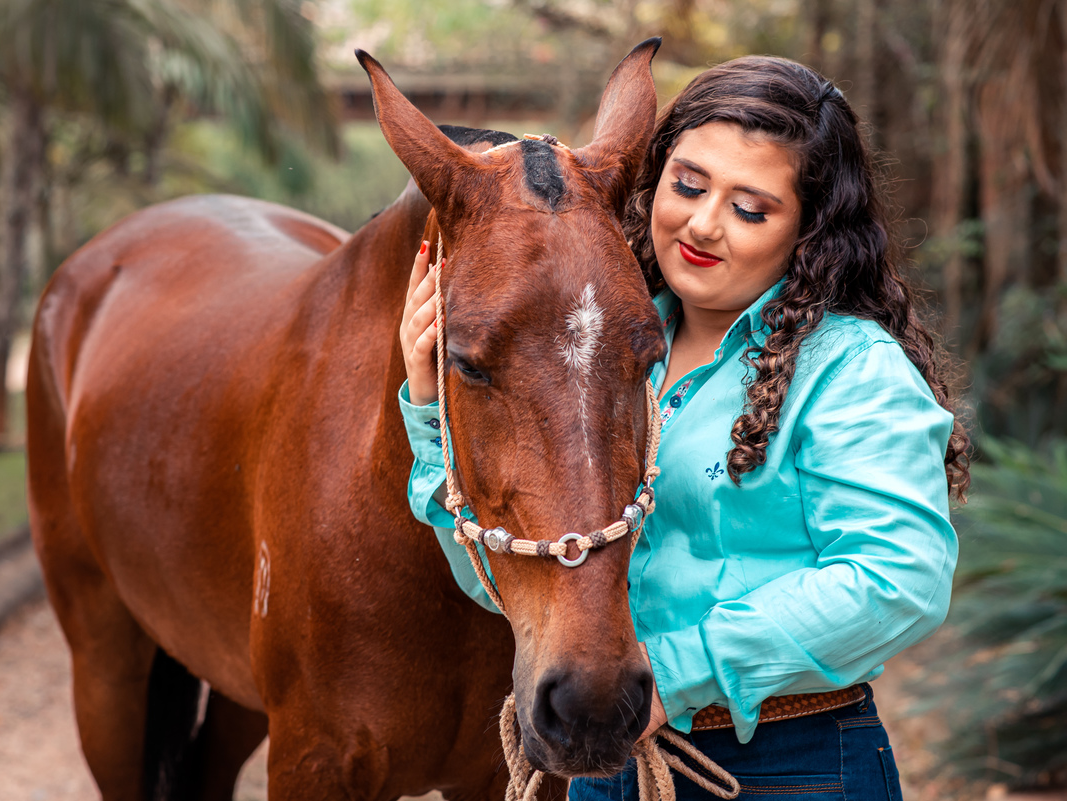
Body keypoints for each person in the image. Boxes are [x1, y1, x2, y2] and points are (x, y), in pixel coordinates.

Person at [396, 55, 971, 800]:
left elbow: (900, 578)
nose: (702, 224)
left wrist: (675, 674)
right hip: (613, 754)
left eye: (751, 208)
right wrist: (429, 406)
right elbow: (510, 577)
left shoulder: (850, 368)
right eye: (689, 185)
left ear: (810, 228)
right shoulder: (608, 361)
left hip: (789, 769)